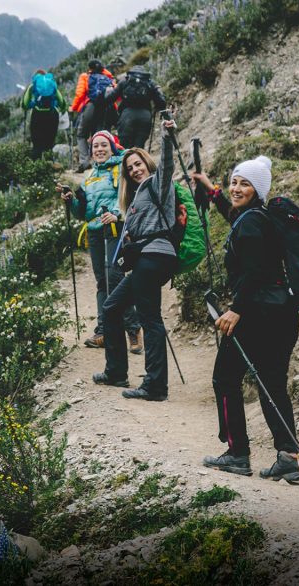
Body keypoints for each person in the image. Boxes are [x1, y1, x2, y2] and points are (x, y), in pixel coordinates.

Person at [190, 156, 299, 482]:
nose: (237, 188)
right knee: (272, 384)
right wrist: (214, 194)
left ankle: (237, 453)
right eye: (235, 181)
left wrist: (236, 308)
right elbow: (235, 217)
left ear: (259, 189)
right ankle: (287, 456)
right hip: (283, 312)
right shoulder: (258, 218)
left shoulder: (251, 223)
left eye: (245, 184)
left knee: (225, 378)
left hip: (256, 313)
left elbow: (255, 271)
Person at [93, 117, 179, 401]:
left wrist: (167, 136)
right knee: (112, 307)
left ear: (147, 162)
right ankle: (116, 371)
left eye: (138, 164)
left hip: (155, 255)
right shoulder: (136, 198)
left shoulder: (158, 183)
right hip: (146, 258)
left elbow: (167, 165)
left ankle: (155, 386)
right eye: (129, 169)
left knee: (150, 318)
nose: (134, 170)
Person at [60, 130, 143, 354]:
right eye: (95, 146)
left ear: (112, 147)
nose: (98, 149)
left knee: (114, 278)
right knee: (101, 281)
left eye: (103, 145)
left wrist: (116, 214)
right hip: (95, 231)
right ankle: (103, 331)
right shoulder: (89, 177)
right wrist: (71, 202)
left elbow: (128, 197)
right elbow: (83, 213)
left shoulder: (121, 170)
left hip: (114, 227)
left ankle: (133, 329)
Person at [70, 60, 116, 170]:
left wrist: (73, 108)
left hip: (90, 107)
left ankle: (85, 161)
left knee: (81, 135)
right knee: (98, 136)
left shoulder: (86, 76)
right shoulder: (108, 78)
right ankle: (100, 162)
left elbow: (80, 93)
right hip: (104, 109)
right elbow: (116, 94)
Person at [106, 67, 166, 149]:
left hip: (127, 117)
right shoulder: (149, 83)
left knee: (125, 148)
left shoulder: (125, 81)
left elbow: (110, 98)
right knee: (139, 148)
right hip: (145, 117)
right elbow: (162, 103)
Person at [22, 70, 66, 158]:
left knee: (37, 144)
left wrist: (32, 104)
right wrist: (62, 109)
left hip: (37, 115)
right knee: (49, 144)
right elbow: (61, 101)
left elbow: (25, 104)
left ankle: (36, 167)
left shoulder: (32, 86)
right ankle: (49, 164)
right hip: (52, 115)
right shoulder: (52, 84)